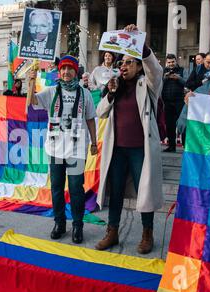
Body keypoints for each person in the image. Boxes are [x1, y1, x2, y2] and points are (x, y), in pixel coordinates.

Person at [95, 24, 164, 255]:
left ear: (137, 66)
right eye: (121, 63)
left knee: (145, 191)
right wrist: (111, 93)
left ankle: (147, 233)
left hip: (140, 150)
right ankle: (112, 231)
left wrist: (138, 43)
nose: (123, 66)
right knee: (115, 191)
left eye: (128, 62)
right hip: (117, 150)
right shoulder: (115, 85)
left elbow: (155, 69)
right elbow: (100, 112)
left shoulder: (148, 84)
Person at [28, 55, 98, 244]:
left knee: (76, 188)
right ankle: (59, 223)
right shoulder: (51, 91)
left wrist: (94, 142)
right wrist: (31, 81)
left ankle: (77, 225)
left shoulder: (85, 94)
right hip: (55, 149)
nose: (66, 72)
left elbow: (90, 119)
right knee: (57, 189)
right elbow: (32, 102)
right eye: (63, 69)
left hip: (77, 150)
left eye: (70, 69)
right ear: (59, 72)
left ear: (76, 71)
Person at [161, 54, 185, 153]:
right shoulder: (163, 71)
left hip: (179, 101)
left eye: (173, 62)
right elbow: (158, 83)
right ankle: (171, 146)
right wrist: (165, 78)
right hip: (167, 102)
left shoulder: (182, 70)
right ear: (167, 62)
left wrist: (178, 78)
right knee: (170, 125)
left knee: (182, 124)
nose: (171, 64)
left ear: (176, 61)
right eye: (169, 62)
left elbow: (187, 82)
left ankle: (186, 146)